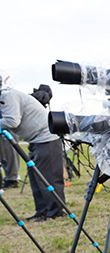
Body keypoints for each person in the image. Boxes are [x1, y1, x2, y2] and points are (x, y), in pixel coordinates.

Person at [0, 83, 65, 220]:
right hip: (36, 140)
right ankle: (42, 212)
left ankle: (55, 213)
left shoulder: (8, 95)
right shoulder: (5, 95)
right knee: (36, 179)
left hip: (46, 139)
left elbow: (12, 121)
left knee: (47, 178)